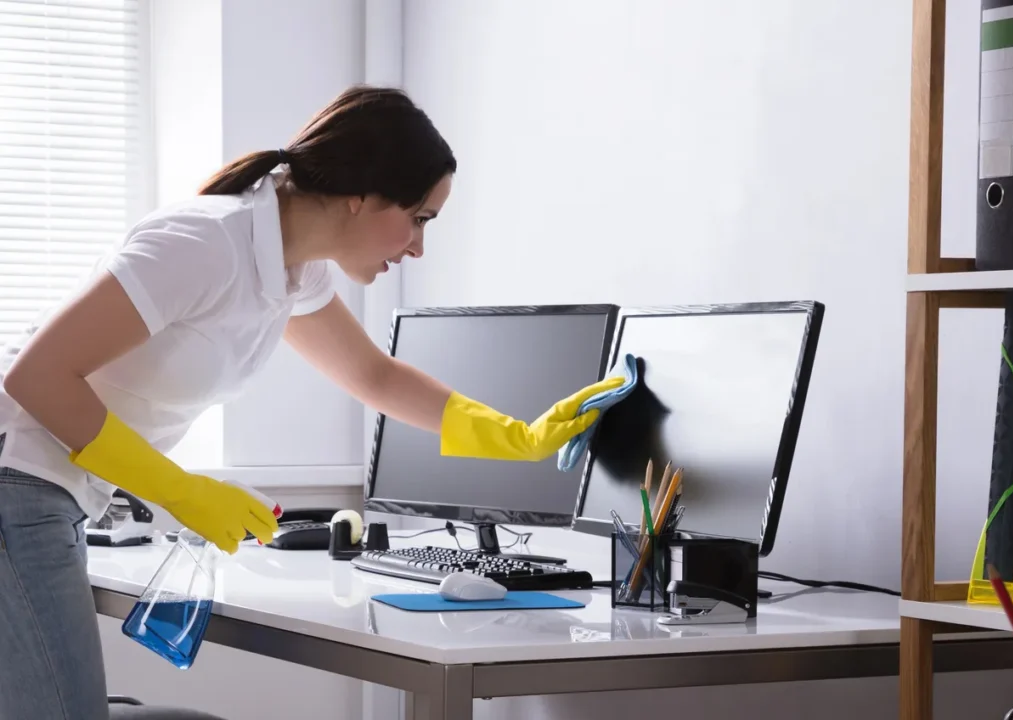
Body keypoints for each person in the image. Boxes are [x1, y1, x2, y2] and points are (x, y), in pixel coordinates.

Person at [0, 85, 621, 719]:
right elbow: (36, 377)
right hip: (15, 485)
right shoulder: (206, 242)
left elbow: (372, 376)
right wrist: (179, 491)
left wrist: (514, 436)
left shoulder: (293, 268)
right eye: (419, 218)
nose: (418, 247)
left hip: (48, 497)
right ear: (361, 195)